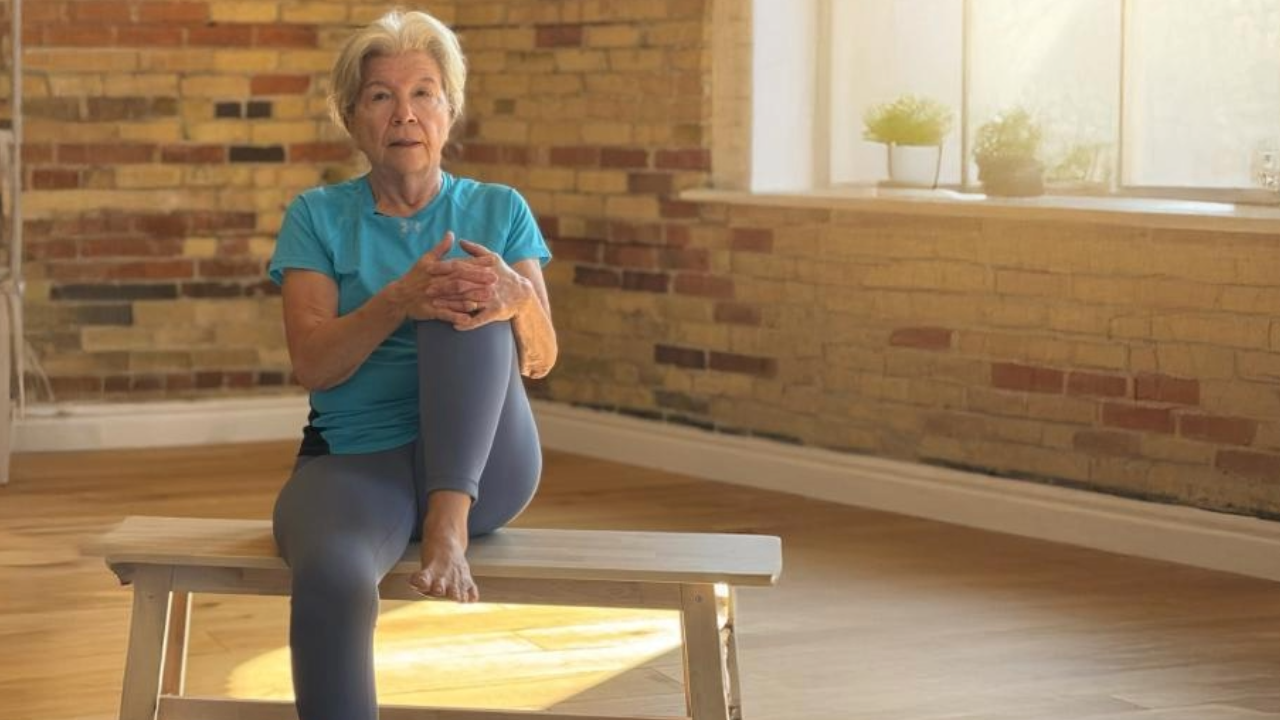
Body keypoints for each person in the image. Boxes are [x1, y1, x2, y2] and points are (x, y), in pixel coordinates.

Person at [266, 9, 556, 719]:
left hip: (490, 466)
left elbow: (542, 358)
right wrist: (399, 298)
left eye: (424, 92)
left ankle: (448, 523)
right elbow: (313, 363)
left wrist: (518, 301)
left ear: (449, 110)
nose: (405, 113)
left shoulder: (498, 208)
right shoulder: (317, 215)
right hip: (360, 460)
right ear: (352, 117)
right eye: (380, 96)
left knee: (472, 288)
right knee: (331, 578)